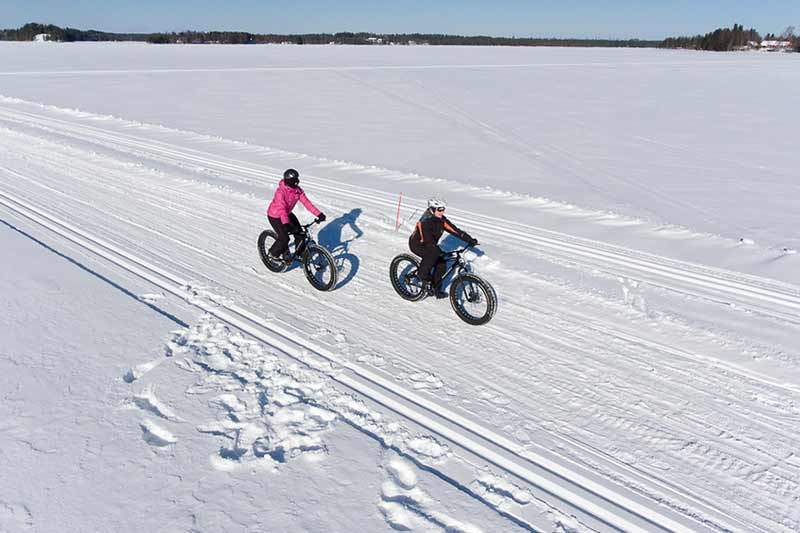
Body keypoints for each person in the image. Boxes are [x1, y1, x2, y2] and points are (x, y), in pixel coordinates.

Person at [409, 198, 477, 298]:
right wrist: (437, 251)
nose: (442, 212)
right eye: (439, 210)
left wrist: (469, 240)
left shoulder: (441, 220)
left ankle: (436, 289)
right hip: (417, 244)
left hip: (431, 245)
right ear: (432, 210)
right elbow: (427, 239)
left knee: (442, 264)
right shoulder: (424, 222)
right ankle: (422, 275)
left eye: (443, 209)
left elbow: (455, 230)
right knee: (432, 256)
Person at [266, 169, 326, 260]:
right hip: (275, 216)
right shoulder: (280, 192)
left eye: (296, 179)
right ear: (288, 181)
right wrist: (286, 223)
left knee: (300, 233)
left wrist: (319, 214)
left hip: (287, 213)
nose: (296, 182)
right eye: (293, 180)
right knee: (284, 238)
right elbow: (281, 208)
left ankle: (300, 254)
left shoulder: (297, 191)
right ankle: (272, 254)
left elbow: (307, 203)